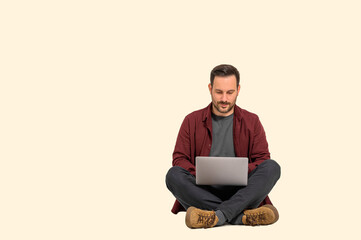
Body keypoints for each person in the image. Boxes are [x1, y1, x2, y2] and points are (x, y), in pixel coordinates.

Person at [165, 64, 281, 228]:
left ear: (238, 90)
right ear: (210, 88)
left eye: (230, 92)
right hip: (202, 191)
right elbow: (179, 159)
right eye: (219, 92)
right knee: (173, 175)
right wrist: (201, 173)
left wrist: (241, 171)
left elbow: (263, 160)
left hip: (242, 191)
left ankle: (215, 216)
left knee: (272, 167)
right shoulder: (191, 120)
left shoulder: (252, 121)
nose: (224, 99)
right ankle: (239, 217)